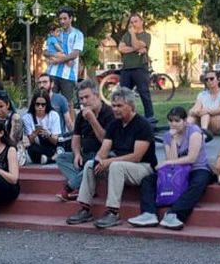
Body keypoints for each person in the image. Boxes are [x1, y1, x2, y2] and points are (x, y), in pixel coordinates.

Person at [65, 87, 156, 230]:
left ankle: (113, 212)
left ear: (131, 106)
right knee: (90, 164)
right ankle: (85, 208)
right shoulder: (114, 125)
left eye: (119, 106)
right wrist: (99, 160)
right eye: (113, 106)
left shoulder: (142, 125)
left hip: (144, 167)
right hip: (120, 165)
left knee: (115, 166)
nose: (115, 109)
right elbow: (104, 150)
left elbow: (136, 157)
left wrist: (108, 162)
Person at [157, 105, 213, 231]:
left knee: (198, 183)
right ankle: (149, 214)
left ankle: (174, 214)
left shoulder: (194, 131)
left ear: (185, 121)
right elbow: (172, 160)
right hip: (178, 170)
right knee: (150, 179)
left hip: (197, 167)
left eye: (177, 121)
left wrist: (168, 162)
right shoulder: (168, 135)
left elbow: (192, 158)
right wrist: (173, 139)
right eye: (171, 121)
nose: (173, 124)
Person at [58, 79, 108, 201]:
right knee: (61, 157)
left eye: (87, 97)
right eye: (81, 99)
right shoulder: (81, 115)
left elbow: (105, 140)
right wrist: (76, 154)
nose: (84, 102)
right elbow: (76, 138)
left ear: (96, 95)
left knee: (92, 163)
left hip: (101, 156)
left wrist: (92, 120)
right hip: (85, 154)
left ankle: (71, 187)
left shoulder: (108, 112)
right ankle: (84, 186)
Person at [114, 12, 155, 122]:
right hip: (126, 68)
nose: (133, 24)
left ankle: (150, 118)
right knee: (124, 94)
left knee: (144, 93)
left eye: (136, 21)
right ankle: (125, 117)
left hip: (140, 67)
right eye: (131, 22)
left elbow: (137, 45)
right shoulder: (125, 35)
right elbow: (121, 48)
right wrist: (135, 49)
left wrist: (133, 35)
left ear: (142, 22)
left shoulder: (146, 35)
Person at [45, 8, 85, 103]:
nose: (62, 21)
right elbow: (45, 52)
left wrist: (59, 60)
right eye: (60, 19)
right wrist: (54, 54)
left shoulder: (78, 34)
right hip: (53, 73)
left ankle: (70, 119)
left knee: (68, 105)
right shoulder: (56, 33)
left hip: (69, 75)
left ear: (71, 18)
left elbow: (75, 54)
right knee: (50, 102)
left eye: (65, 18)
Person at [21, 91, 63, 164]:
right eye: (37, 104)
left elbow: (56, 140)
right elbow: (29, 142)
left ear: (47, 105)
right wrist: (35, 133)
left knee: (62, 143)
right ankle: (53, 158)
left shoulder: (53, 115)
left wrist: (48, 135)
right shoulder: (27, 118)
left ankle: (49, 159)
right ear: (33, 104)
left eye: (43, 105)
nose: (40, 107)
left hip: (51, 147)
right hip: (37, 148)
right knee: (32, 149)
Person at [189, 70, 220, 137]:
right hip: (204, 119)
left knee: (205, 113)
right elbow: (196, 107)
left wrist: (207, 111)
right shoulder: (202, 94)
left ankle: (203, 134)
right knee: (192, 117)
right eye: (206, 79)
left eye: (212, 78)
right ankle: (183, 132)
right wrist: (193, 112)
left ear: (218, 80)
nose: (209, 81)